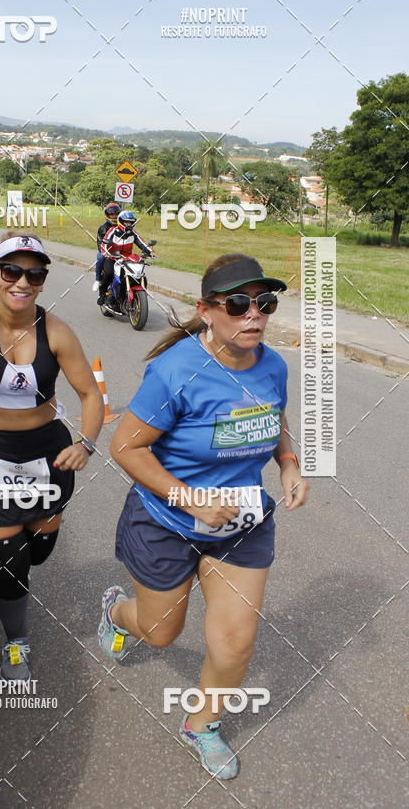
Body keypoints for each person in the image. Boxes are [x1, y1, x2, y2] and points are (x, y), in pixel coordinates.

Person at [98, 253, 310, 779]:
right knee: (160, 632)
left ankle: (201, 724)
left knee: (236, 641)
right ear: (207, 311)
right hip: (165, 523)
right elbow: (125, 447)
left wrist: (288, 464)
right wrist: (188, 499)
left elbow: (273, 416)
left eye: (264, 303)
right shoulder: (177, 370)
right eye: (238, 304)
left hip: (240, 524)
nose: (254, 315)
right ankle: (116, 614)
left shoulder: (272, 364)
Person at [0, 231, 104, 681]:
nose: (22, 281)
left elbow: (90, 394)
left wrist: (85, 443)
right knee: (9, 560)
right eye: (12, 270)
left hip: (47, 453)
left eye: (34, 273)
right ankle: (16, 640)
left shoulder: (57, 331)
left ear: (43, 280)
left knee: (40, 549)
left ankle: (18, 561)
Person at [97, 210, 155, 306]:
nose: (129, 224)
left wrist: (150, 251)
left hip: (127, 260)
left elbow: (141, 243)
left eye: (131, 222)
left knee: (141, 276)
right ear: (121, 221)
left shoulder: (133, 233)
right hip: (113, 258)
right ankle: (102, 294)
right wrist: (106, 252)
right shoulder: (113, 231)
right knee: (108, 273)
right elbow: (104, 244)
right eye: (126, 222)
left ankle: (138, 296)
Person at [92, 203, 120, 293]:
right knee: (100, 257)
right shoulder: (102, 228)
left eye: (116, 214)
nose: (114, 216)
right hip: (106, 251)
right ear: (107, 215)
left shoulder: (122, 227)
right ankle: (98, 279)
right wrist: (104, 252)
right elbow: (100, 243)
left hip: (120, 252)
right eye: (112, 214)